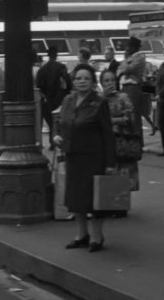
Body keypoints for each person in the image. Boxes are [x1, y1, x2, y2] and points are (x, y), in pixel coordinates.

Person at [54, 64, 116, 253]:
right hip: (73, 156)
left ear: (92, 82)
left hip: (93, 157)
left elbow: (108, 134)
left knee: (95, 199)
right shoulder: (68, 100)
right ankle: (81, 235)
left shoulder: (99, 103)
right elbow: (60, 122)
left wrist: (110, 163)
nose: (82, 81)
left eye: (86, 78)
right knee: (76, 198)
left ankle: (97, 236)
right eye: (79, 78)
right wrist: (56, 136)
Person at [100, 69, 139, 218]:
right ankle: (108, 204)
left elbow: (130, 118)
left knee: (123, 172)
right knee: (109, 172)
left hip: (122, 140)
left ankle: (120, 206)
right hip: (105, 142)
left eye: (111, 80)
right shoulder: (99, 99)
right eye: (106, 81)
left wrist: (112, 121)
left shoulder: (123, 97)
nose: (109, 83)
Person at [35, 46, 72, 147]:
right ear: (56, 55)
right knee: (57, 120)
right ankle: (55, 141)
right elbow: (68, 82)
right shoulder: (61, 67)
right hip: (59, 98)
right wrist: (66, 91)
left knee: (50, 120)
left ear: (48, 55)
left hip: (47, 98)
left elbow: (38, 85)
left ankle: (52, 142)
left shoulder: (42, 69)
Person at [117, 37, 149, 138]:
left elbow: (126, 69)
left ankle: (137, 141)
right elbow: (119, 71)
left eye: (128, 46)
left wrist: (125, 61)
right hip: (126, 87)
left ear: (134, 47)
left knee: (134, 115)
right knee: (127, 113)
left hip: (133, 88)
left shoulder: (139, 58)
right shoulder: (131, 58)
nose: (126, 48)